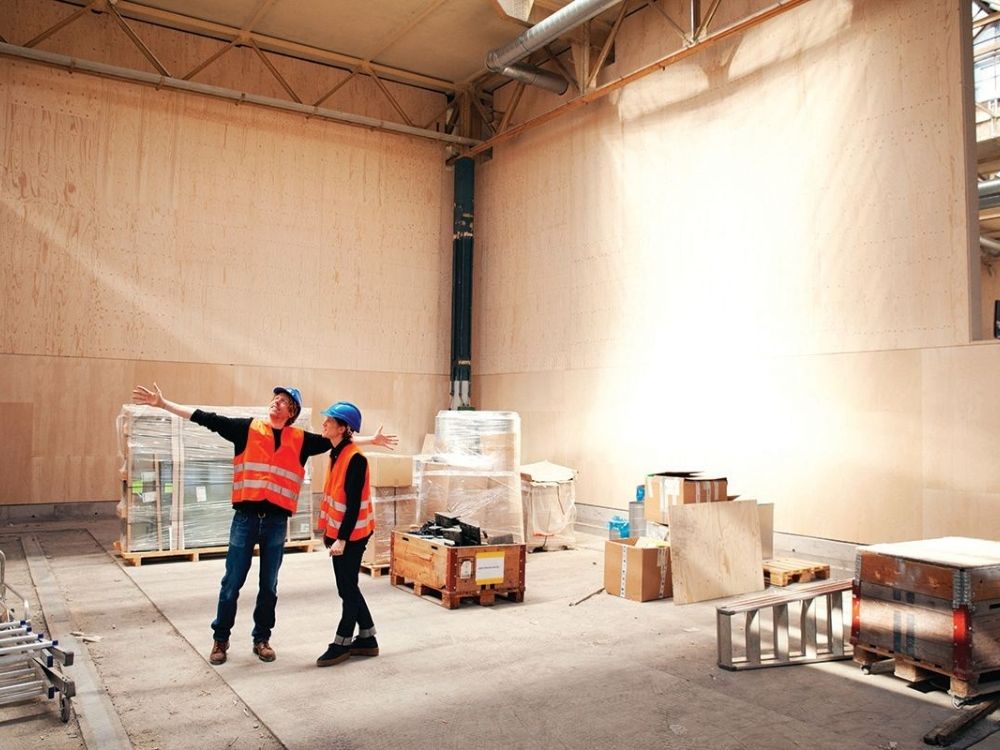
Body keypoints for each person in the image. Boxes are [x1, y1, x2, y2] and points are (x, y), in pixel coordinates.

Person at [130, 383, 396, 666]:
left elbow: (339, 440)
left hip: (276, 524)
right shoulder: (246, 429)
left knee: (269, 586)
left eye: (283, 401)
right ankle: (221, 639)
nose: (276, 402)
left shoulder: (300, 440)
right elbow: (204, 418)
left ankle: (262, 639)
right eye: (275, 398)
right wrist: (164, 404)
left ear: (292, 412)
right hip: (245, 521)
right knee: (231, 584)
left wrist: (371, 440)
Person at [315, 401, 379, 667]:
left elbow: (352, 505)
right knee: (348, 587)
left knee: (347, 589)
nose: (324, 423)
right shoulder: (337, 452)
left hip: (353, 535)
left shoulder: (355, 459)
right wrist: (329, 533)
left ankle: (341, 643)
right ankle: (367, 639)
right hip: (341, 533)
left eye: (329, 420)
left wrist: (341, 539)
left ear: (342, 428)